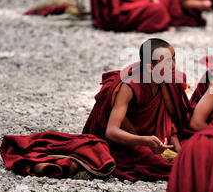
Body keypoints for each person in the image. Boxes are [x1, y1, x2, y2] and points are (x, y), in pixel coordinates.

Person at [82, 38, 192, 181]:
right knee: (163, 166)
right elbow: (111, 131)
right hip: (126, 142)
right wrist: (145, 141)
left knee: (193, 154)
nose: (172, 66)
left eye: (173, 59)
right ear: (150, 67)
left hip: (153, 141)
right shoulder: (129, 87)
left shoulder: (167, 81)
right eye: (166, 62)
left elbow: (169, 121)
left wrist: (178, 149)